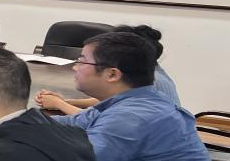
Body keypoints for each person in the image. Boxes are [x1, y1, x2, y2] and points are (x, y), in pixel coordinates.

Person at [51, 32, 215, 161]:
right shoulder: (140, 99)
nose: (75, 67)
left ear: (112, 74)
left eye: (82, 61)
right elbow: (74, 122)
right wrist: (21, 120)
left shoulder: (133, 116)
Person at [37, 24, 180, 113]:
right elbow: (110, 101)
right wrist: (66, 102)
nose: (76, 67)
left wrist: (60, 104)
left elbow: (97, 120)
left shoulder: (151, 81)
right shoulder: (146, 72)